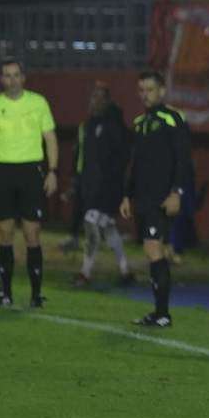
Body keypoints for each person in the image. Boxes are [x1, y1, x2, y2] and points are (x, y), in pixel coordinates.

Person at [0, 59, 58, 307]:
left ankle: (36, 294)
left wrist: (52, 171)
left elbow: (50, 138)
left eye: (15, 75)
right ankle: (6, 293)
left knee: (32, 233)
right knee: (5, 233)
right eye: (6, 76)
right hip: (2, 172)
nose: (11, 80)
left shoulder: (38, 103)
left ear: (23, 78)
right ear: (1, 80)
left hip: (30, 171)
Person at [118, 71, 192, 328]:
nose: (145, 95)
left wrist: (176, 192)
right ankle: (160, 312)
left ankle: (163, 313)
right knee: (152, 250)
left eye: (150, 89)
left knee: (154, 248)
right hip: (144, 197)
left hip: (163, 197)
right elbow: (136, 162)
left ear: (162, 91)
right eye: (141, 90)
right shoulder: (140, 122)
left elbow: (183, 159)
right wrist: (128, 194)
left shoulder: (173, 119)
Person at [71, 82, 134, 288]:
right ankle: (125, 271)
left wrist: (110, 183)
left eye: (99, 97)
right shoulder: (88, 125)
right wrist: (79, 183)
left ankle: (85, 273)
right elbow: (86, 160)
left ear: (107, 100)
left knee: (91, 225)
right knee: (108, 229)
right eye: (93, 97)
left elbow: (122, 158)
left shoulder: (115, 125)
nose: (94, 101)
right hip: (91, 188)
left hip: (107, 189)